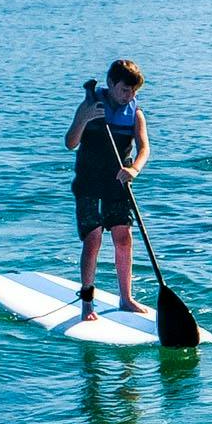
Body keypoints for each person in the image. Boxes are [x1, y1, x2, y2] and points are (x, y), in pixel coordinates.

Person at [65, 61, 150, 314]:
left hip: (118, 180)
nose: (129, 96)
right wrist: (85, 119)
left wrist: (134, 169)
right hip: (89, 180)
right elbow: (70, 143)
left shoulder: (135, 113)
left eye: (134, 91)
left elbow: (144, 148)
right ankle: (87, 301)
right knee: (93, 239)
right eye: (125, 90)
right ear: (111, 84)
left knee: (123, 237)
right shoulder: (90, 105)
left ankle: (126, 298)